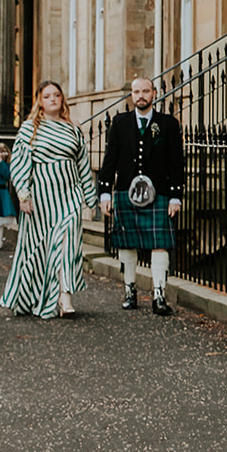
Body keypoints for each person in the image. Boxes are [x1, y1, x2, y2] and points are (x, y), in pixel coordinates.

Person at [0, 81, 97, 320]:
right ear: (40, 101)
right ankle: (35, 295)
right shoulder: (29, 129)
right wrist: (23, 195)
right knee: (41, 248)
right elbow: (21, 165)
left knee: (68, 244)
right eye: (47, 96)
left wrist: (90, 197)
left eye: (56, 95)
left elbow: (83, 163)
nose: (53, 99)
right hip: (42, 197)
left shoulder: (73, 128)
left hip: (70, 195)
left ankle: (65, 295)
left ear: (62, 99)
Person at [98, 77, 184, 316]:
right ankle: (130, 290)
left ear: (154, 93)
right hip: (126, 190)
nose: (140, 96)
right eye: (136, 91)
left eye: (145, 91)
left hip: (160, 193)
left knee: (160, 244)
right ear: (131, 95)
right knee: (127, 244)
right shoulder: (120, 122)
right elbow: (110, 159)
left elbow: (177, 163)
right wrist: (105, 191)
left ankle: (159, 294)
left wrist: (176, 196)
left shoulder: (168, 124)